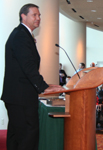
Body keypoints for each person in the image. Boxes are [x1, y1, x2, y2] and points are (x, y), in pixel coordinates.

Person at [1, 4, 64, 150]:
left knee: (16, 137)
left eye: (39, 15)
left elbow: (25, 68)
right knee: (27, 136)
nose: (38, 18)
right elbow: (28, 66)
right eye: (34, 15)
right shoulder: (21, 35)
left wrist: (46, 85)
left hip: (18, 96)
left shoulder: (23, 34)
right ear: (23, 16)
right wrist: (43, 87)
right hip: (20, 97)